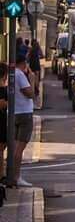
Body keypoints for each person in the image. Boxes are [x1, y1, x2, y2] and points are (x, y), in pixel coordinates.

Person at [6, 54, 35, 188]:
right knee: (19, 148)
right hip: (24, 113)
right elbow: (30, 93)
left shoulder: (10, 74)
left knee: (13, 146)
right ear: (23, 63)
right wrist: (33, 79)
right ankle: (16, 177)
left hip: (12, 113)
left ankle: (10, 175)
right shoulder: (20, 75)